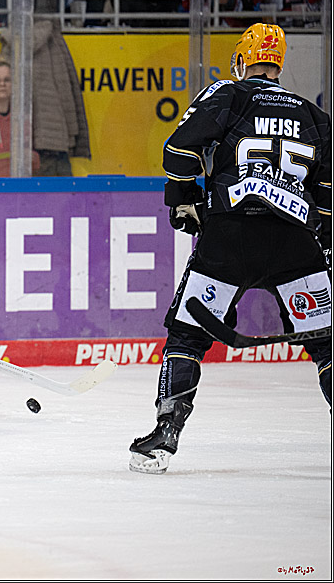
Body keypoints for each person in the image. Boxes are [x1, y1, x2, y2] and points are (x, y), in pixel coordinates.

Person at [129, 23, 332, 475]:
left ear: (242, 60)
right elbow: (328, 193)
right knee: (327, 343)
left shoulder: (229, 93)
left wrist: (181, 200)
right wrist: (325, 246)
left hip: (229, 237)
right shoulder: (314, 115)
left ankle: (165, 434)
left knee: (187, 334)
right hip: (296, 241)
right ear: (278, 64)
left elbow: (179, 150)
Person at [0, 20, 91, 175]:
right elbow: (71, 96)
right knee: (63, 196)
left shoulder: (11, 46)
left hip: (21, 145)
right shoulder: (53, 43)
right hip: (55, 142)